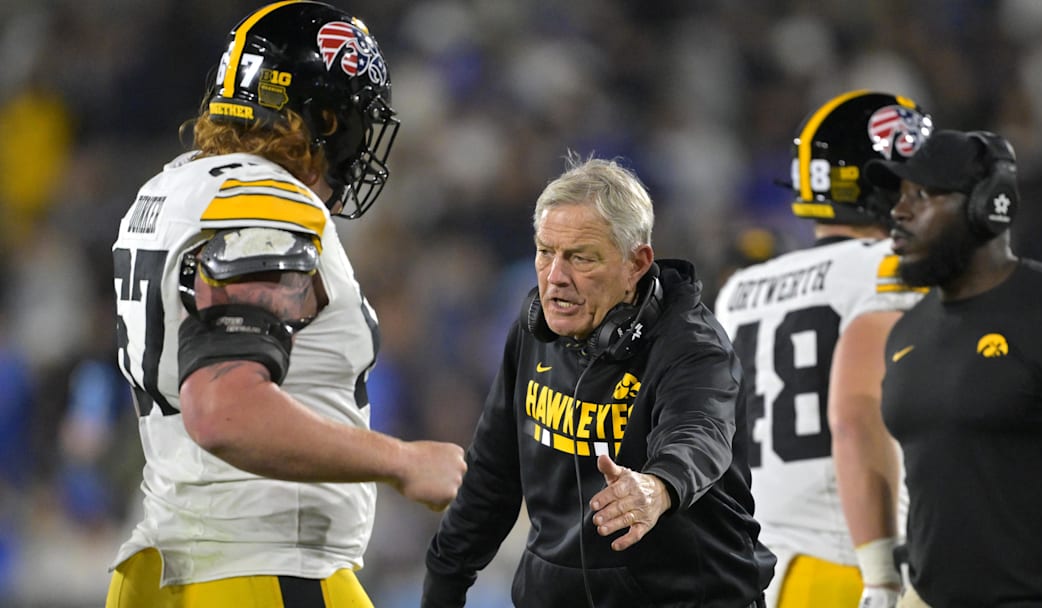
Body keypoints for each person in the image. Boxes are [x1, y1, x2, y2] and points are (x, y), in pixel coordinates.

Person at [107, 3, 467, 607]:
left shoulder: (171, 189)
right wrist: (402, 460)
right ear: (324, 119)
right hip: (261, 570)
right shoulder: (266, 201)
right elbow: (224, 407)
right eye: (353, 122)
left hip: (172, 570)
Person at [423, 155, 775, 607]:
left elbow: (699, 434)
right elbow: (492, 476)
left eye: (580, 258)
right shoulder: (535, 332)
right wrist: (443, 583)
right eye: (545, 252)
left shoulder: (693, 345)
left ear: (637, 264)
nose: (555, 278)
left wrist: (658, 486)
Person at [714, 90, 933, 608]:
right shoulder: (893, 268)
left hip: (760, 573)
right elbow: (860, 418)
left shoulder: (739, 291)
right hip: (856, 564)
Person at [865, 129, 1042, 607]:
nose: (898, 212)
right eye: (899, 196)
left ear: (990, 204)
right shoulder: (907, 333)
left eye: (921, 196)